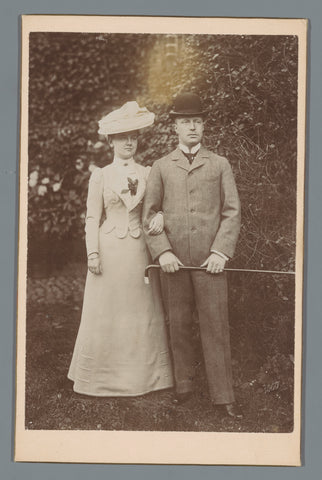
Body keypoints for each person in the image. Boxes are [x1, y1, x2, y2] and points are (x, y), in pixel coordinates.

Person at [143, 92, 243, 418]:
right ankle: (183, 386)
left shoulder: (220, 164)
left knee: (217, 326)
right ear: (175, 128)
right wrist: (163, 253)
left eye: (197, 122)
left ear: (204, 126)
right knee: (179, 324)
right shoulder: (160, 167)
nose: (192, 127)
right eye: (186, 122)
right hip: (174, 264)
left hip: (210, 263)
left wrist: (221, 252)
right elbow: (149, 216)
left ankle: (223, 396)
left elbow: (232, 212)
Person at [68, 101, 173, 396]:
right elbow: (91, 217)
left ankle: (145, 378)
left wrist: (161, 217)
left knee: (140, 309)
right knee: (107, 310)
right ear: (111, 141)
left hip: (139, 249)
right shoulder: (100, 175)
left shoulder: (148, 172)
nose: (129, 142)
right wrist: (92, 252)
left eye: (134, 137)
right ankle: (99, 377)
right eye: (123, 137)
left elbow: (157, 208)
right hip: (110, 247)